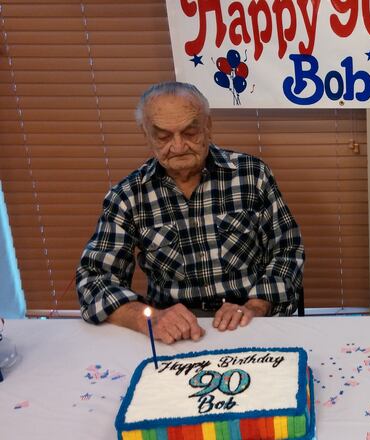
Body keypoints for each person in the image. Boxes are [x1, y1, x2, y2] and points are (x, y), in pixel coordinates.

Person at [76, 81, 304, 343]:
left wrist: (256, 305)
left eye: (190, 132)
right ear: (146, 134)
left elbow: (288, 249)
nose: (178, 146)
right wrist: (148, 318)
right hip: (174, 331)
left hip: (248, 321)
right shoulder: (127, 195)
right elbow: (93, 280)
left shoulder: (252, 175)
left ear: (208, 126)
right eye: (163, 137)